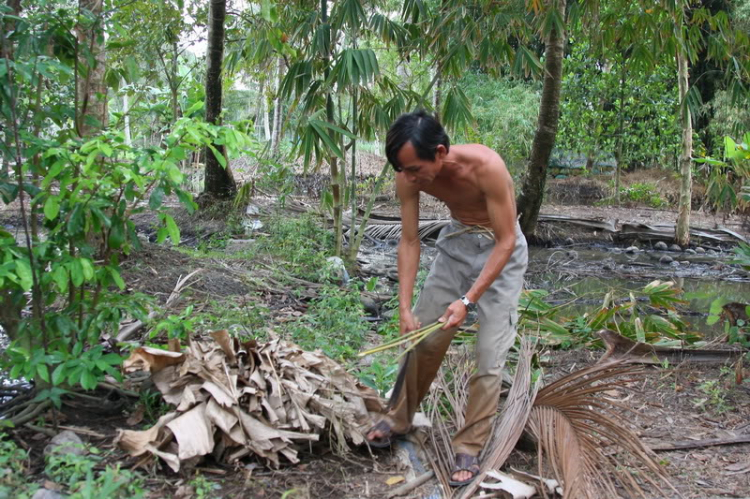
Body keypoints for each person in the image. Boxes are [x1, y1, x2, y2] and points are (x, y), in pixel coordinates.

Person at [365, 110, 528, 487]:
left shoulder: (487, 167)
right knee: (421, 338)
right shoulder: (407, 174)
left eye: (413, 169)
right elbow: (409, 240)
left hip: (502, 253)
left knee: (489, 355)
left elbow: (505, 241)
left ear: (440, 152)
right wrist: (405, 308)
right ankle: (399, 417)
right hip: (456, 245)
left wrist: (468, 301)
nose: (407, 179)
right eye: (401, 170)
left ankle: (469, 445)